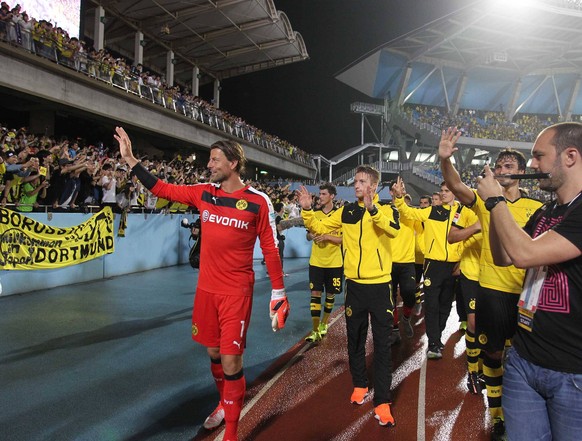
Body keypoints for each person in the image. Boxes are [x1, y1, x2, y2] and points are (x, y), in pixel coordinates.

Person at [114, 127, 290, 441]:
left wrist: (278, 291)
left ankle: (232, 433)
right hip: (206, 290)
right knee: (212, 353)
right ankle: (224, 402)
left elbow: (271, 247)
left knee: (231, 358)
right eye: (209, 160)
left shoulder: (257, 201)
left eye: (214, 159)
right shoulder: (203, 192)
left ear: (233, 163)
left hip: (236, 292)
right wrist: (130, 160)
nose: (209, 165)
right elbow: (162, 189)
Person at [476, 122, 582, 441]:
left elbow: (523, 254)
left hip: (571, 371)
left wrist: (496, 202)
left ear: (570, 156)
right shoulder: (547, 211)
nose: (532, 165)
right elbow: (504, 256)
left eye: (538, 156)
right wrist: (495, 207)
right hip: (524, 359)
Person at [439, 127, 543, 440]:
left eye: (509, 166)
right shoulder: (484, 204)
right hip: (491, 292)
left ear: (522, 173)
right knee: (494, 355)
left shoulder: (537, 209)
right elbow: (456, 184)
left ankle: (519, 410)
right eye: (499, 167)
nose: (501, 170)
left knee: (525, 360)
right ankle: (497, 415)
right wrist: (445, 160)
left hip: (526, 296)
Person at [297, 165, 400, 427]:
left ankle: (383, 401)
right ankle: (359, 384)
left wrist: (373, 210)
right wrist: (308, 210)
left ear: (373, 187)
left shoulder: (387, 210)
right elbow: (319, 226)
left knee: (382, 343)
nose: (355, 185)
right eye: (355, 181)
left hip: (380, 287)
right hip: (354, 286)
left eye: (362, 181)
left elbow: (393, 230)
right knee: (354, 339)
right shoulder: (346, 211)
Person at [392, 179, 462, 360]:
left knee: (446, 304)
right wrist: (399, 197)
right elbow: (407, 211)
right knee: (432, 304)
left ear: (455, 192)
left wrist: (462, 260)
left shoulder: (464, 212)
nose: (444, 193)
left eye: (448, 190)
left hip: (453, 265)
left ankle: (437, 334)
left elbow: (470, 236)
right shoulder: (431, 211)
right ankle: (433, 343)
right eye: (442, 190)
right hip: (432, 264)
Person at [447, 205, 483, 394]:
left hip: (498, 276)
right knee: (473, 322)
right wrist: (476, 226)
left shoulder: (506, 207)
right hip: (472, 275)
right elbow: (452, 237)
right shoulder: (465, 210)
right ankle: (473, 371)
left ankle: (488, 368)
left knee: (496, 327)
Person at [304, 183, 343, 343]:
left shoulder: (341, 215)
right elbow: (307, 235)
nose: (320, 197)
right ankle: (314, 330)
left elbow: (343, 239)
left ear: (332, 196)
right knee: (315, 294)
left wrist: (327, 237)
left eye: (324, 194)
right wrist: (312, 236)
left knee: (330, 295)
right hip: (316, 261)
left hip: (334, 262)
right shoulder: (315, 214)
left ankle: (324, 324)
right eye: (320, 194)